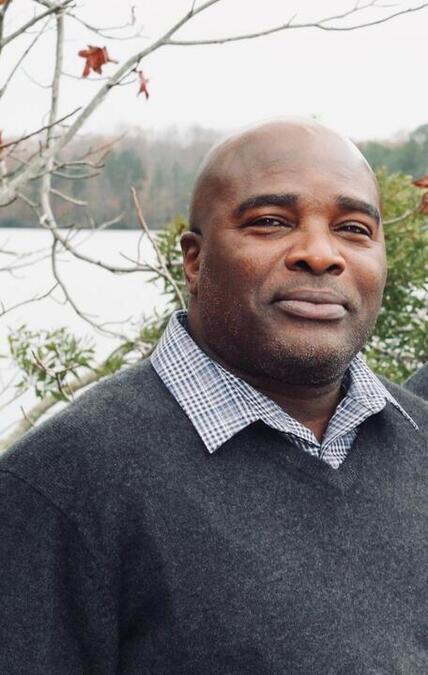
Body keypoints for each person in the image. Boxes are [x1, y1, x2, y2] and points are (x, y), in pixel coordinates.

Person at [0, 119, 427, 674]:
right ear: (194, 260)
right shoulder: (62, 483)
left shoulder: (419, 438)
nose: (321, 254)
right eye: (270, 222)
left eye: (353, 229)